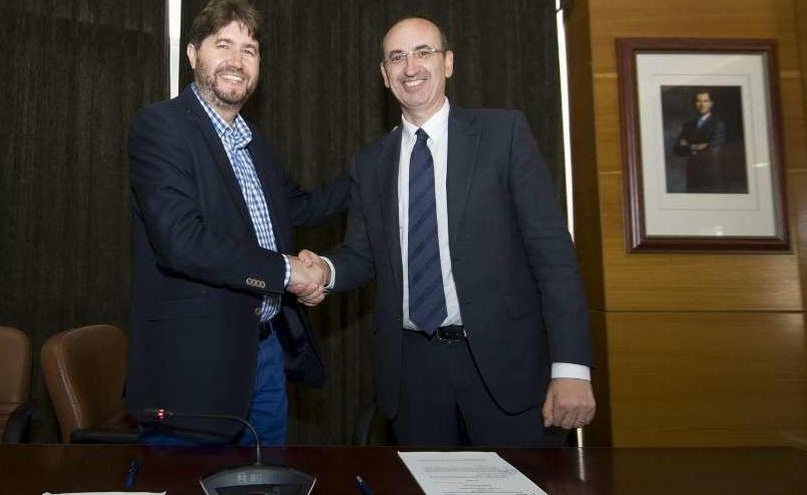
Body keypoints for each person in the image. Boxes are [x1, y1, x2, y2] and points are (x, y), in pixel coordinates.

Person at [298, 17, 595, 446]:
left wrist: (570, 368)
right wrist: (324, 269)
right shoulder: (371, 164)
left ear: (448, 62)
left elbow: (553, 255)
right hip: (412, 375)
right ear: (384, 74)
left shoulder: (503, 135)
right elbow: (362, 255)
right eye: (396, 57)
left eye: (423, 52)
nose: (410, 67)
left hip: (504, 366)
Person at [126, 0, 348, 446]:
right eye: (222, 44)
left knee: (268, 483)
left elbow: (302, 208)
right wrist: (288, 272)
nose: (236, 60)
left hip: (265, 355)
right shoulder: (160, 127)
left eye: (249, 49)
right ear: (192, 54)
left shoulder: (253, 142)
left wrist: (379, 166)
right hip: (194, 371)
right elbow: (181, 242)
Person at [672, 88, 727, 193]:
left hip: (711, 174)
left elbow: (712, 146)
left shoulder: (718, 124)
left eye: (705, 101)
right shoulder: (688, 125)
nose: (702, 105)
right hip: (693, 174)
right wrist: (695, 147)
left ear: (711, 103)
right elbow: (677, 149)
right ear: (695, 104)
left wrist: (688, 146)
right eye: (699, 101)